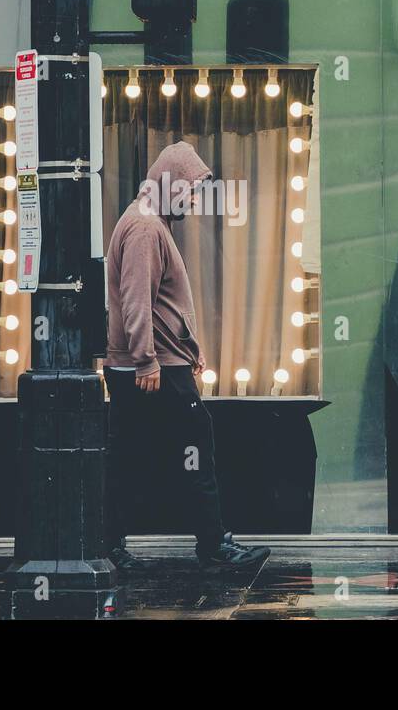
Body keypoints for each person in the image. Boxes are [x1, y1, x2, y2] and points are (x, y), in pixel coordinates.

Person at [104, 141, 270, 573]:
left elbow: (154, 304)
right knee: (194, 445)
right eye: (190, 191)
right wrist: (147, 360)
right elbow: (135, 300)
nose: (194, 201)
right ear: (170, 184)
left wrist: (182, 351)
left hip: (156, 365)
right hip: (154, 370)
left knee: (135, 453)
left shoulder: (148, 221)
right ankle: (214, 546)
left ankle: (112, 546)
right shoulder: (145, 228)